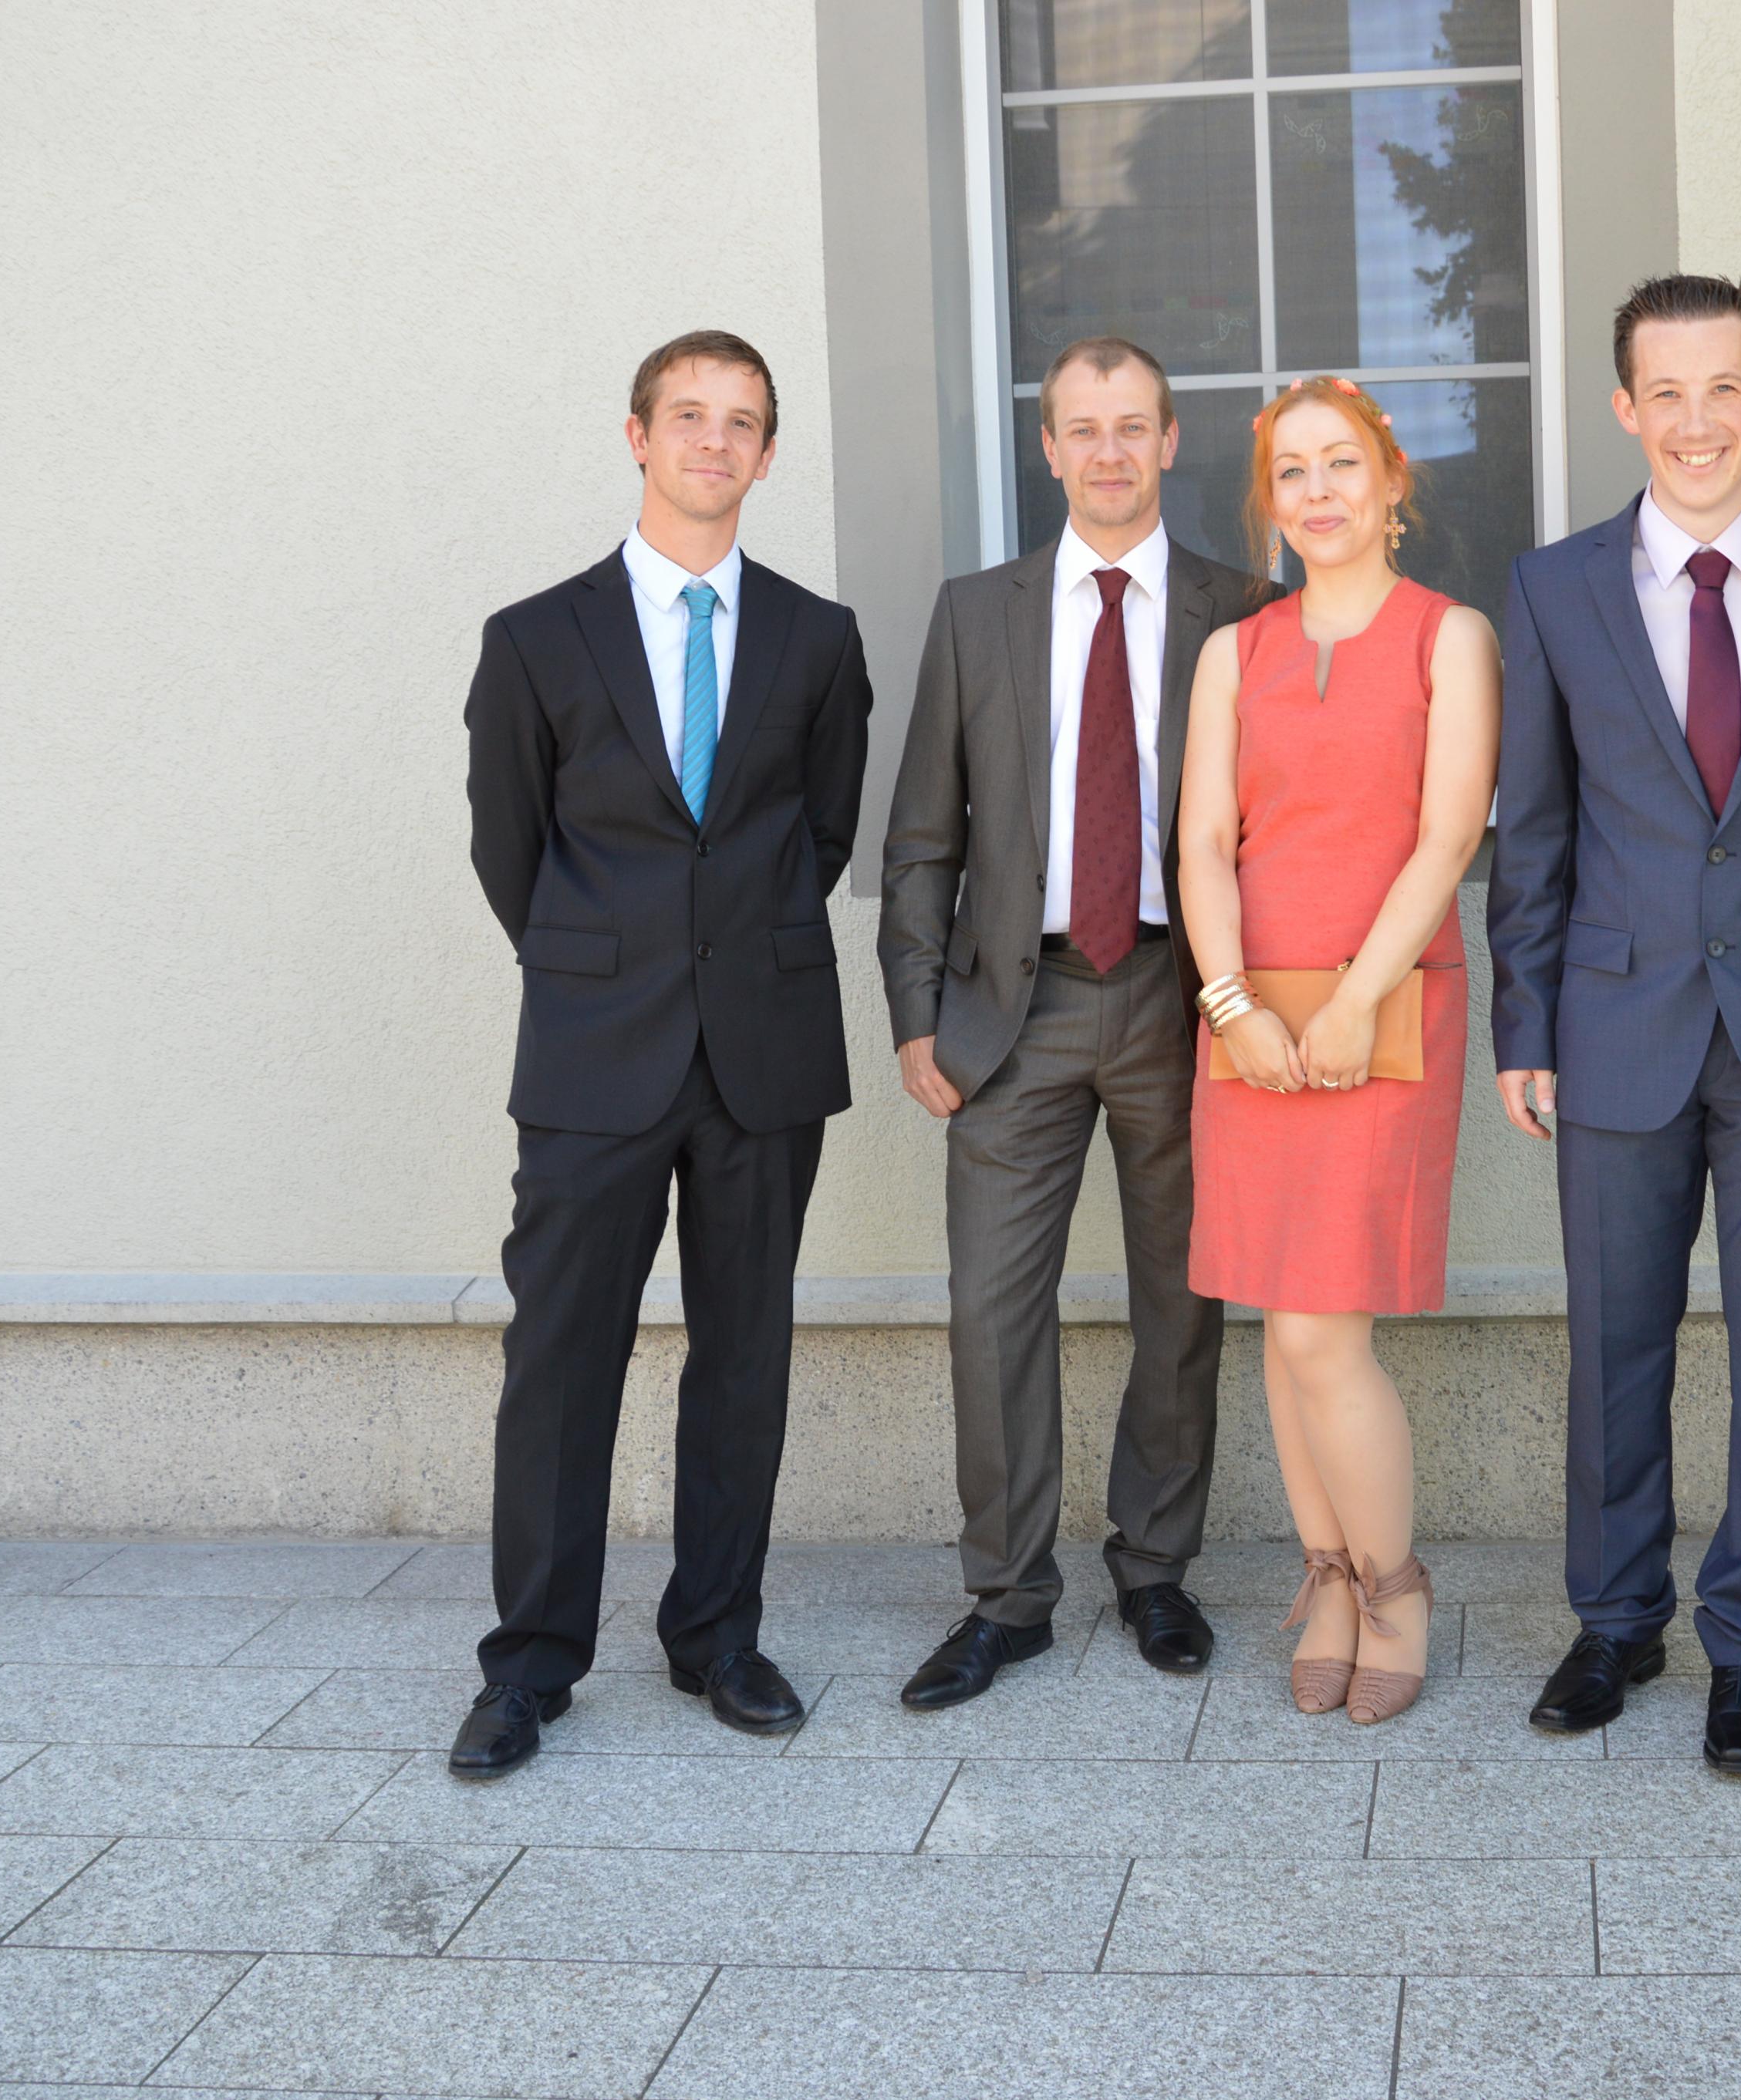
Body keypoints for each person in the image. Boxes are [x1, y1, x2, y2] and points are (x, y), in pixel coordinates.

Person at [1487, 275, 1741, 1772]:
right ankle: (1614, 1619)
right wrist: (1522, 1024)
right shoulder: (1555, 587)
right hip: (1614, 1020)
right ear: (1625, 409)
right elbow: (1534, 824)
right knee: (1615, 1340)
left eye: (1722, 387)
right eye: (1664, 392)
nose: (1696, 420)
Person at [454, 329, 874, 1776]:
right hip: (594, 1052)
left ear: (768, 453)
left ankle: (718, 1637)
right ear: (638, 436)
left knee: (744, 1357)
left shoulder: (818, 638)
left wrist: (728, 953)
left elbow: (821, 833)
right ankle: (529, 1667)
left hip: (762, 1050)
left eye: (741, 421)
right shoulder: (535, 638)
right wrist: (608, 964)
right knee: (560, 1361)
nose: (714, 440)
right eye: (687, 415)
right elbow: (511, 851)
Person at [878, 337, 1274, 1707]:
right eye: (1082, 430)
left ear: (1171, 443)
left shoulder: (1243, 610)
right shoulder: (974, 613)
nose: (1108, 452)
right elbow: (921, 833)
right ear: (1047, 449)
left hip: (1186, 999)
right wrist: (916, 1013)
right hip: (1013, 1007)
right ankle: (1009, 1596)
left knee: (1183, 1299)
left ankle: (1157, 1569)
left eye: (1132, 427)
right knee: (992, 1310)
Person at [1175, 375, 1497, 1728]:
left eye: (1342, 464)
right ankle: (1328, 1579)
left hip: (1386, 1008)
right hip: (1247, 1015)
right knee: (1274, 1311)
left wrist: (1360, 997)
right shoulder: (1232, 654)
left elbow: (1449, 834)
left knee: (1322, 1324)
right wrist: (1231, 1005)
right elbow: (1202, 842)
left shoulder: (1450, 637)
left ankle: (1395, 1586)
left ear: (1391, 481)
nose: (1319, 492)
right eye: (1293, 472)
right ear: (1272, 502)